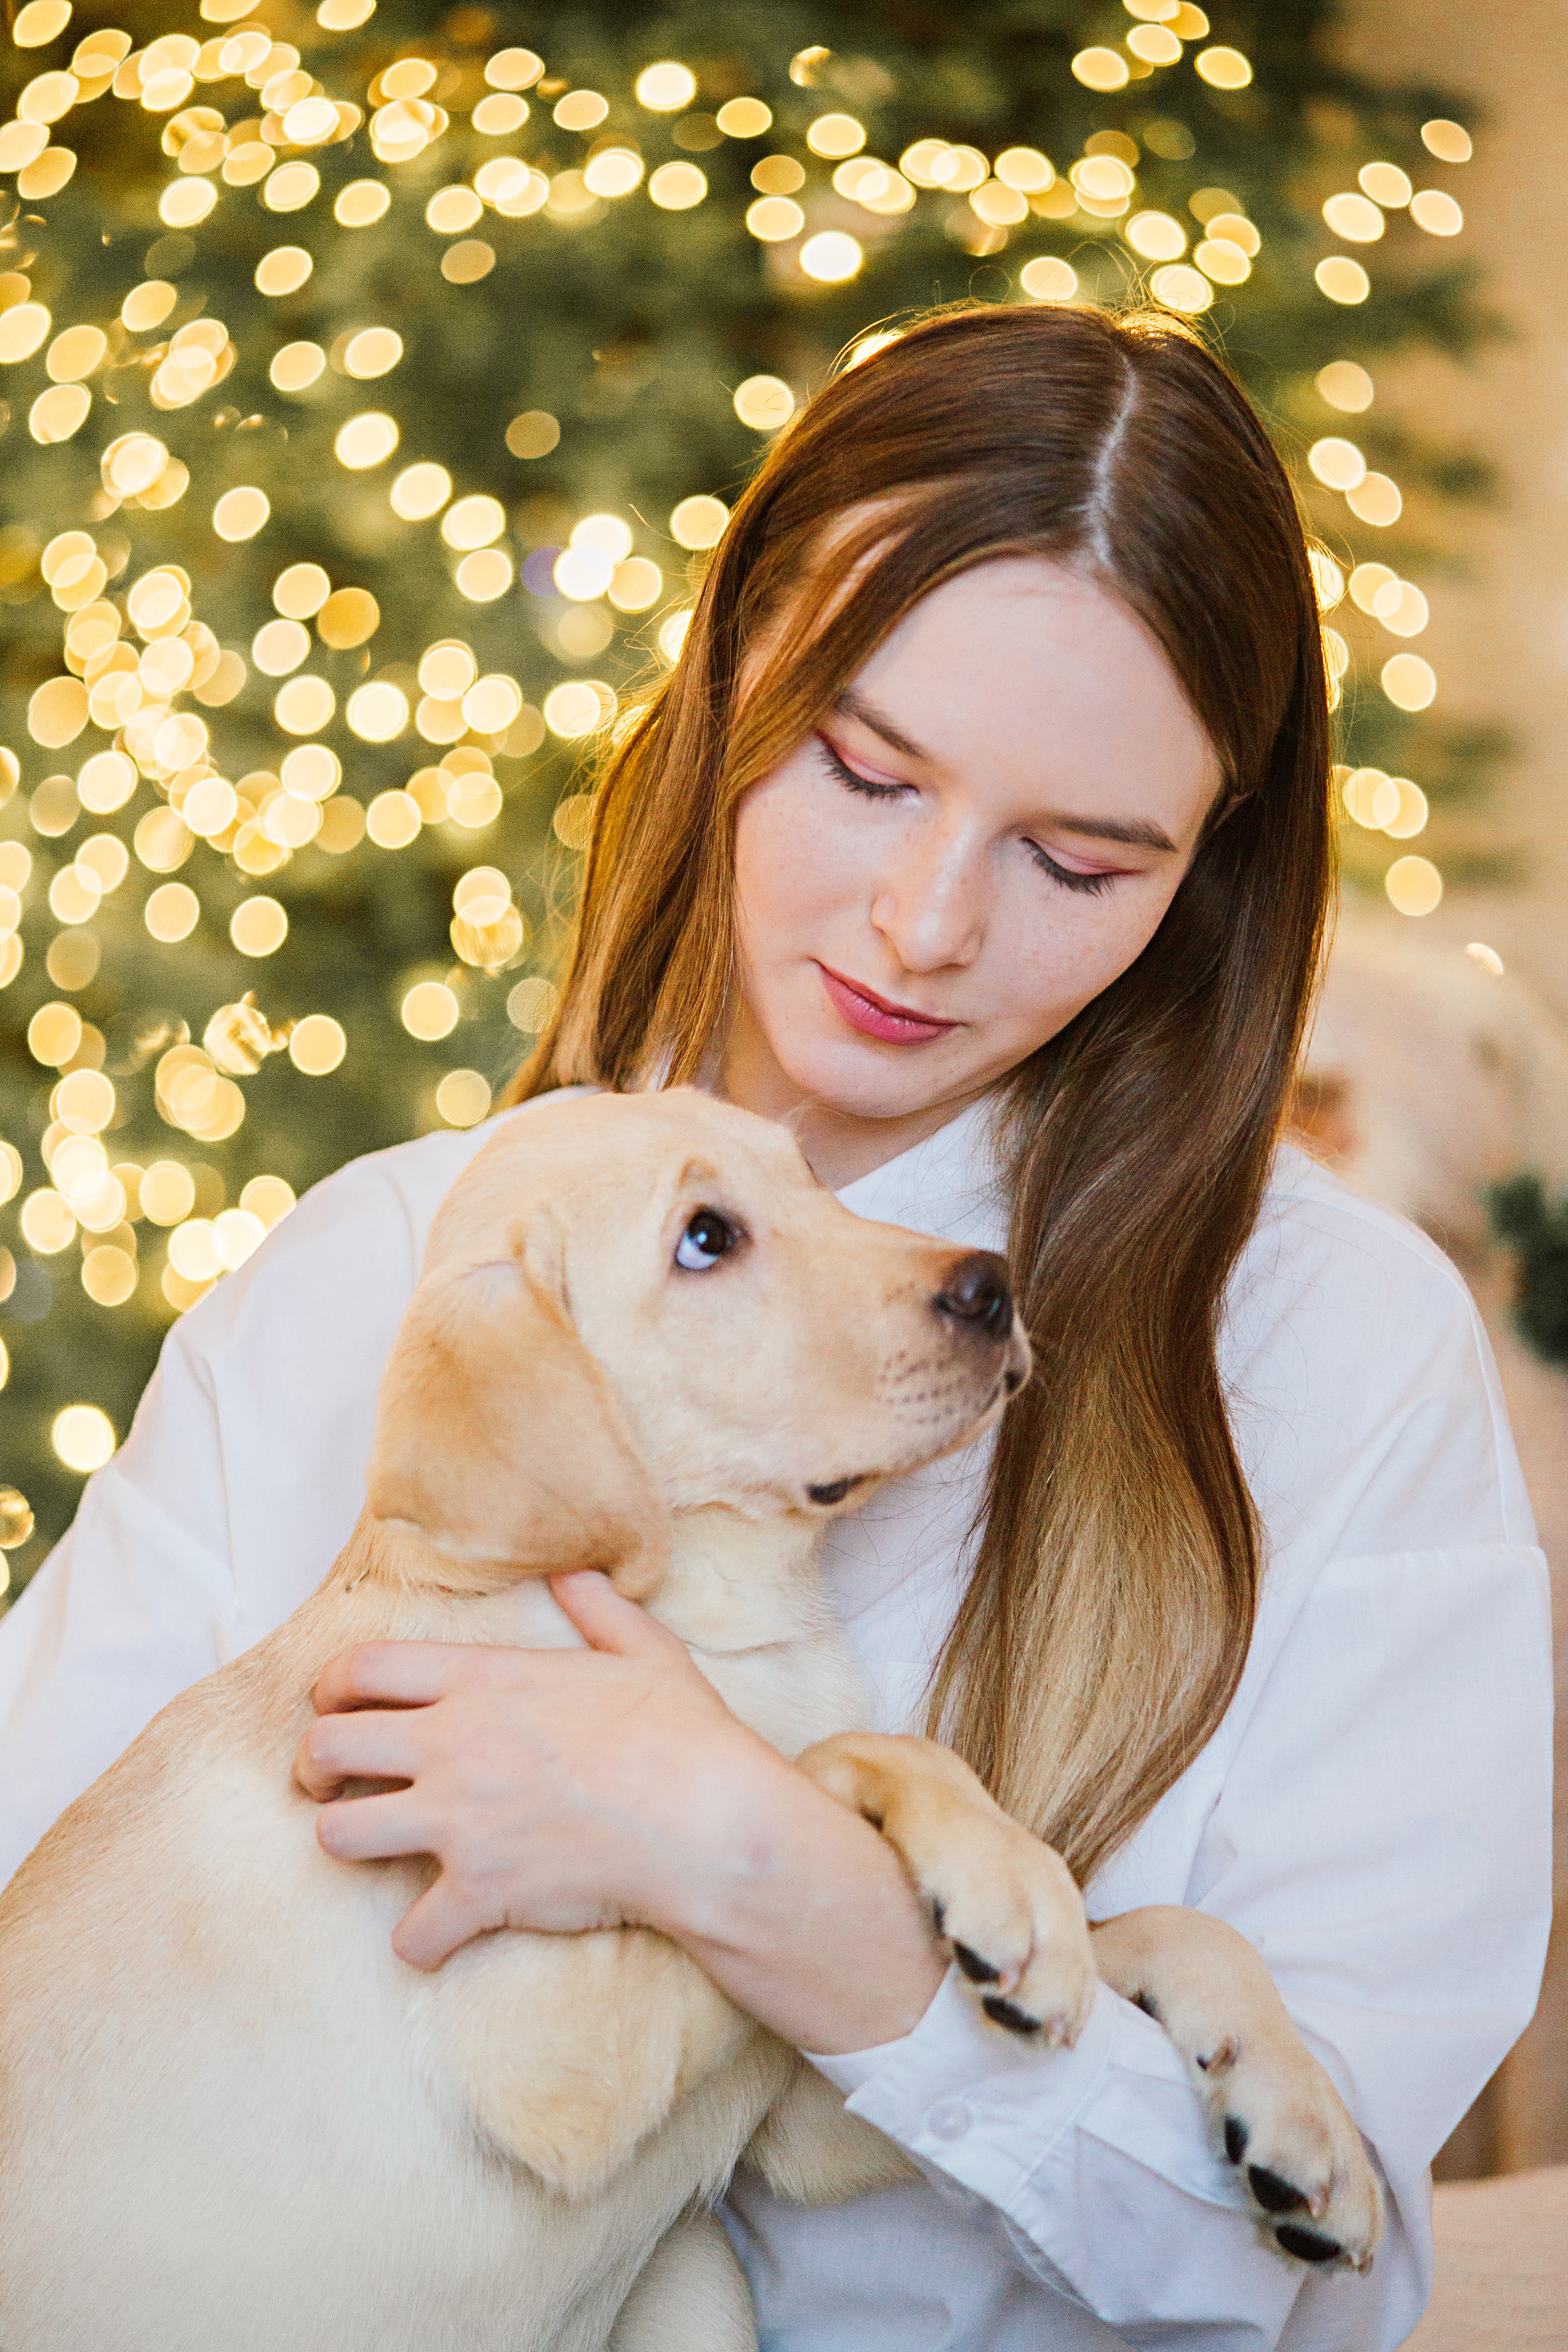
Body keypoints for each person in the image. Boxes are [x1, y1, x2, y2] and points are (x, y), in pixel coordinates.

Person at [0, 303, 1550, 2351]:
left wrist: (778, 1879)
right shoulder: (386, 1273)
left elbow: (1326, 2282)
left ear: (1210, 877)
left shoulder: (1338, 1349)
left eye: (1080, 861)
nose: (927, 924)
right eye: (865, 769)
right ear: (733, 680)